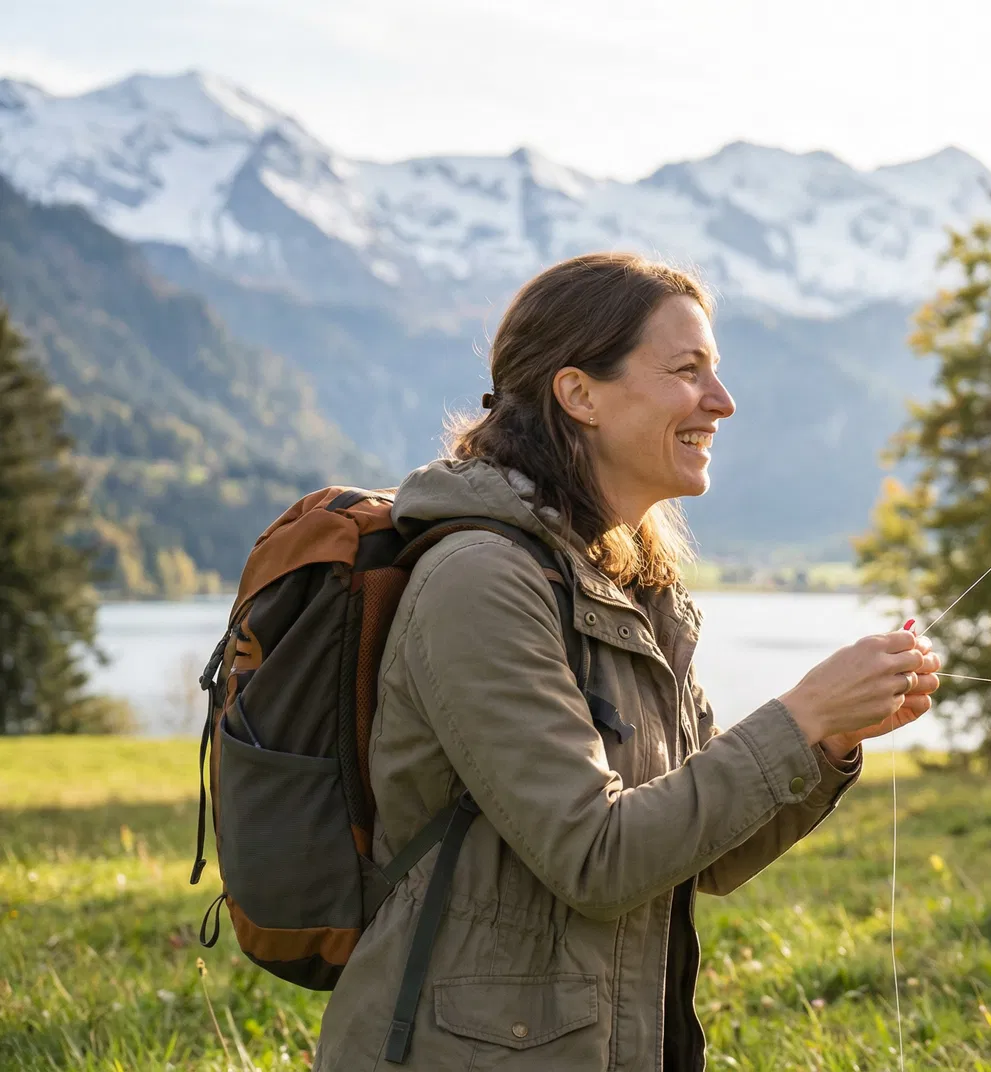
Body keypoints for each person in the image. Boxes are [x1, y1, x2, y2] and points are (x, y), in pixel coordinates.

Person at [314, 253, 938, 1071]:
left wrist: (826, 744)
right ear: (579, 394)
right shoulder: (480, 582)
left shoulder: (630, 588)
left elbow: (703, 855)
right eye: (688, 371)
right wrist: (804, 714)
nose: (722, 402)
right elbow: (597, 857)